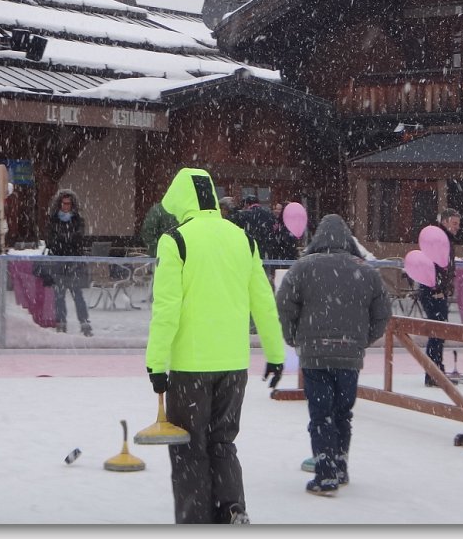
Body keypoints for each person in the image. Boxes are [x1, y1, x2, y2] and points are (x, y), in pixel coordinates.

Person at [145, 168, 285, 525]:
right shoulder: (243, 239)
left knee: (189, 448)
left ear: (181, 201)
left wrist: (156, 363)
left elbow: (166, 309)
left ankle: (195, 521)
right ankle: (231, 508)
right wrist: (275, 353)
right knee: (222, 441)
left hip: (190, 366)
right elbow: (263, 301)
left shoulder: (176, 240)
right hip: (234, 365)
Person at [275, 214, 392, 496]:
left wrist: (292, 336)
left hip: (314, 354)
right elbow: (383, 312)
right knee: (343, 413)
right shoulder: (366, 271)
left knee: (321, 414)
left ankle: (325, 473)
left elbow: (284, 303)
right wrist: (362, 340)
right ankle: (340, 466)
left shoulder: (303, 267)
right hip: (349, 355)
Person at [420, 208, 460, 386]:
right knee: (437, 332)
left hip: (437, 291)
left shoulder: (446, 239)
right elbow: (433, 265)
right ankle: (433, 373)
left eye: (458, 224)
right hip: (433, 292)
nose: (457, 227)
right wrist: (436, 287)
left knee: (438, 332)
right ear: (444, 222)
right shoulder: (438, 239)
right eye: (454, 223)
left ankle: (436, 370)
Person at [45, 189, 92, 335]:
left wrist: (64, 239)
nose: (66, 206)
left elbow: (78, 239)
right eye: (64, 203)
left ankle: (84, 322)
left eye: (68, 204)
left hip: (73, 263)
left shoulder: (78, 220)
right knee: (59, 295)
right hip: (58, 263)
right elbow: (50, 241)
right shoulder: (53, 220)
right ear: (59, 204)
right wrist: (66, 239)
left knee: (77, 294)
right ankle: (61, 322)